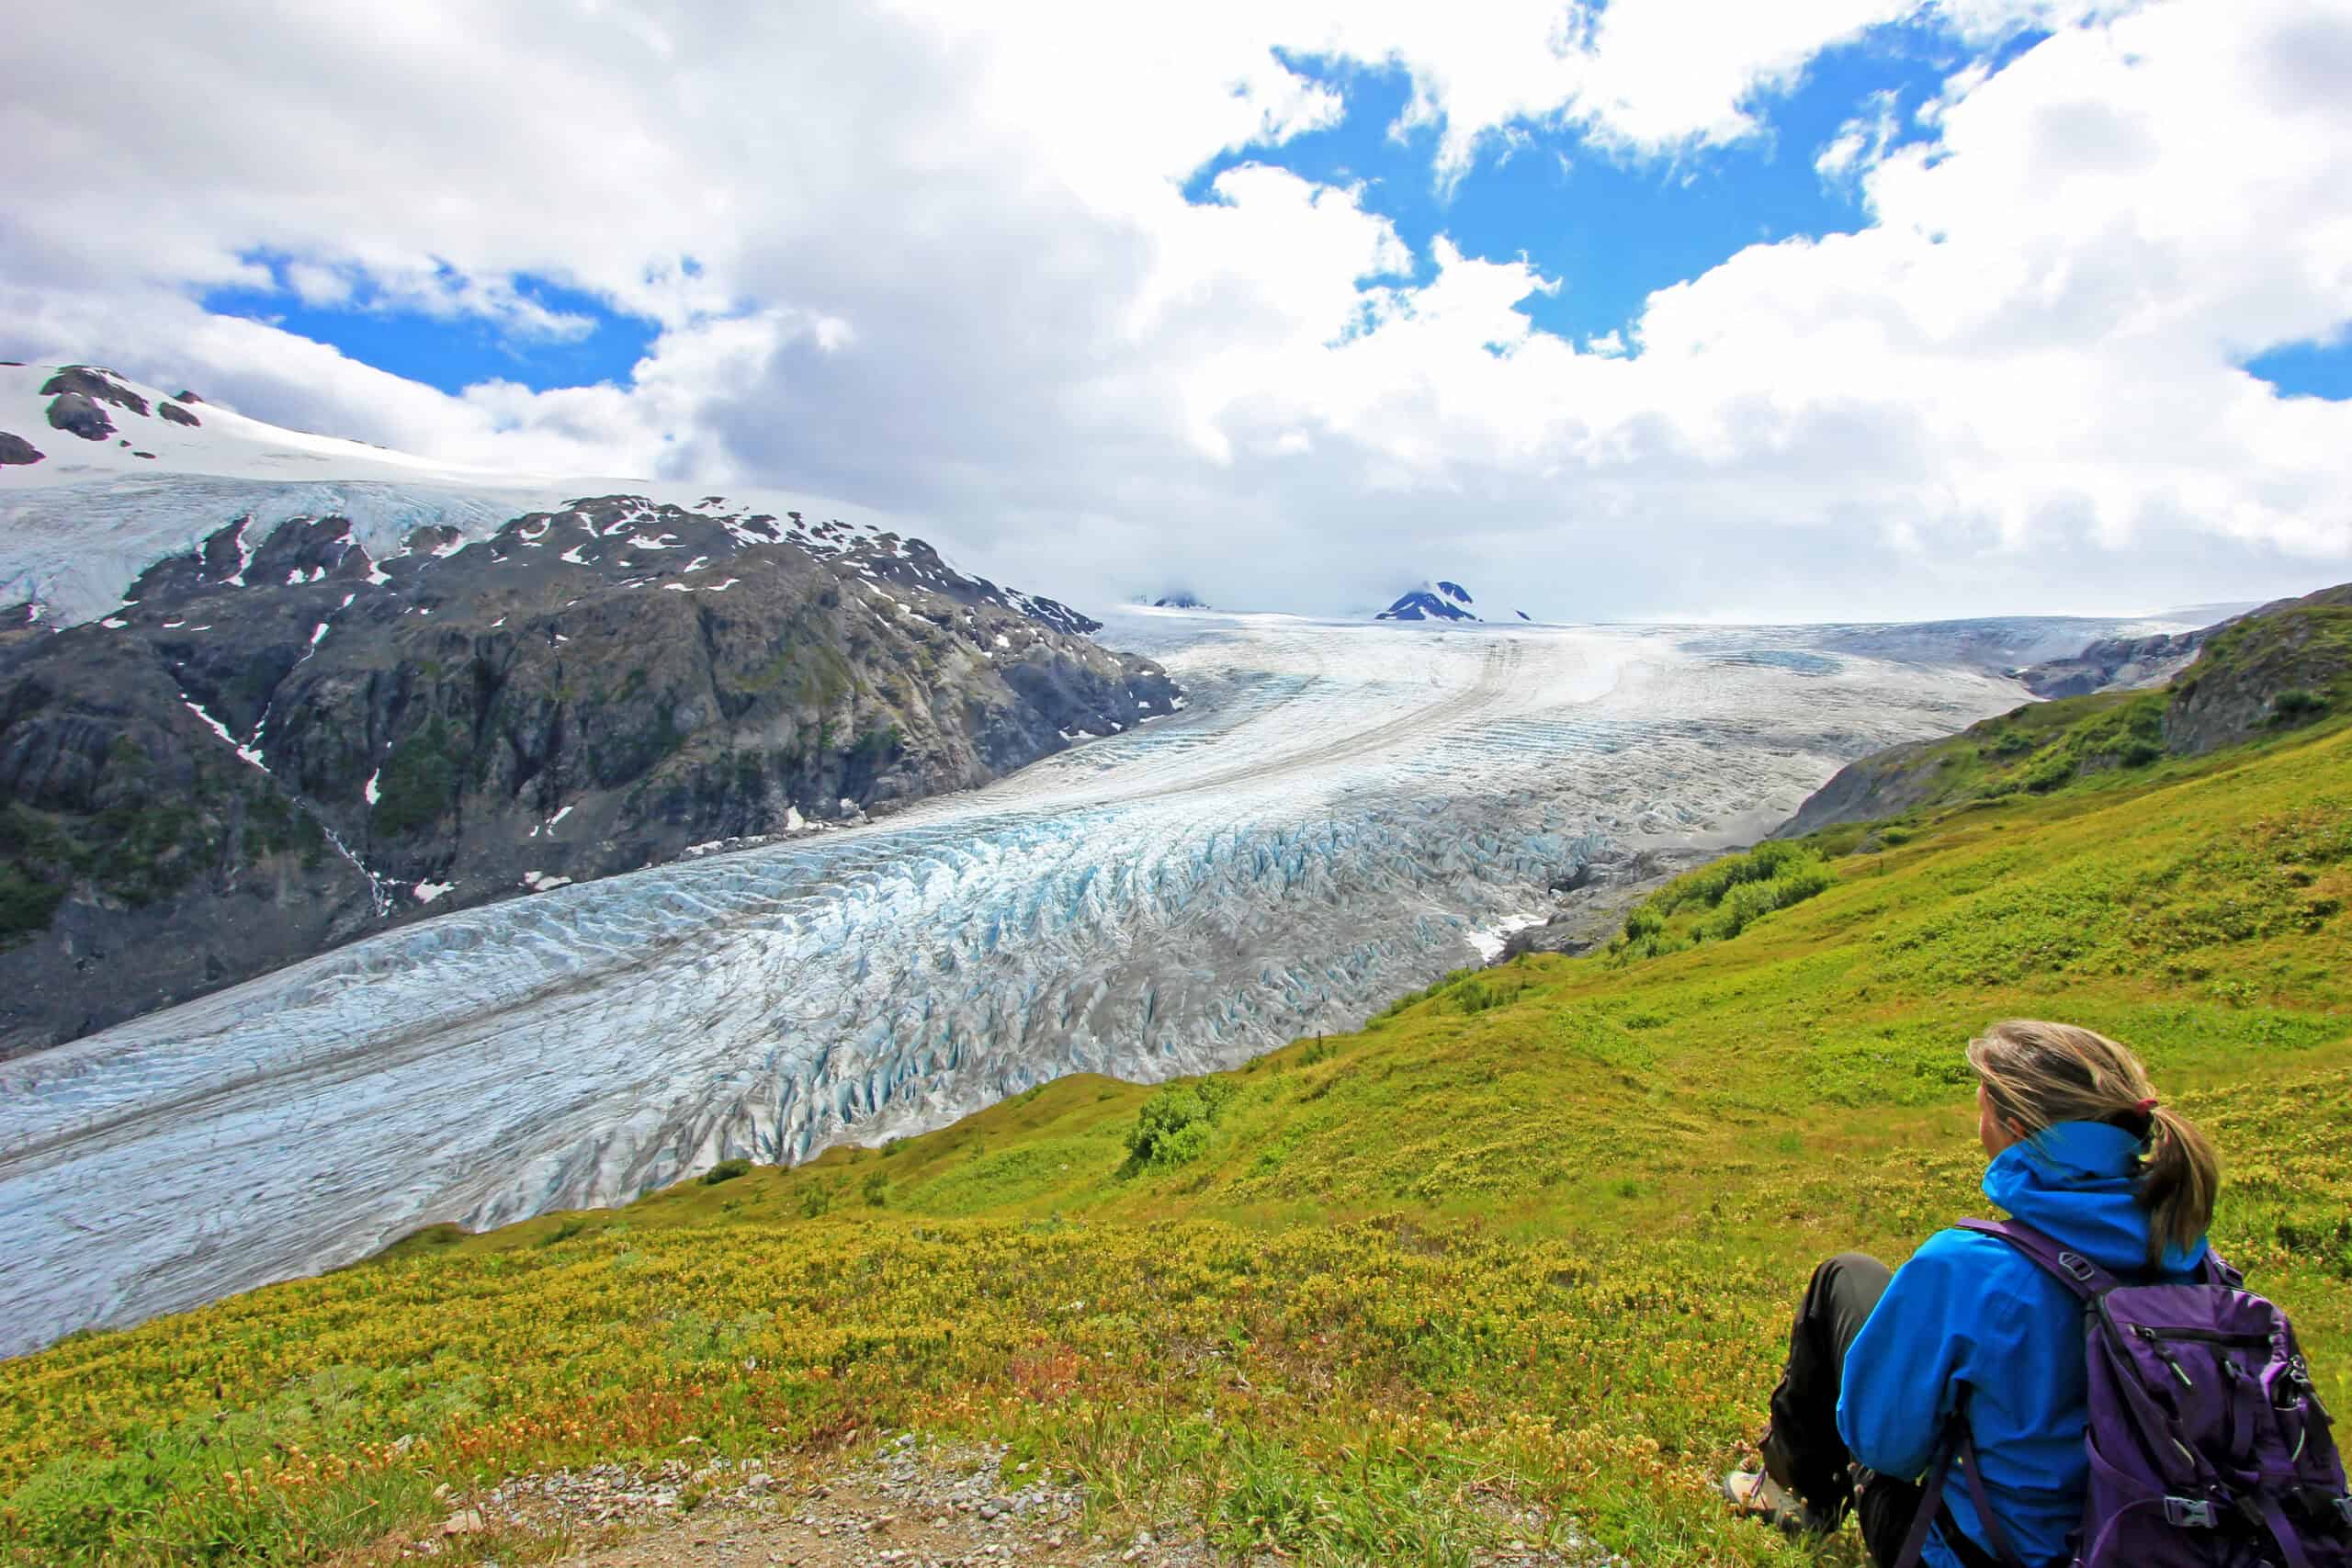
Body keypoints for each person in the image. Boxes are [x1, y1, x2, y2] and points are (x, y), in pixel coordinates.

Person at [1721, 1020, 2221, 1567]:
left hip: (1997, 1557)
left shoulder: (1968, 1266)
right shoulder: (2195, 1257)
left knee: (1846, 1278)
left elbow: (1882, 1446)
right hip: (2171, 1545)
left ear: (2010, 1126)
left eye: (1980, 1106)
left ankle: (1801, 1496)